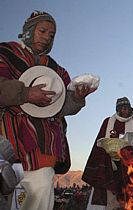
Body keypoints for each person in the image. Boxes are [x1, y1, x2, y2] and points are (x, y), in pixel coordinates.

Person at [0, 11, 95, 210]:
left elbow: (61, 108)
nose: (47, 37)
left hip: (43, 148)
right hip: (7, 142)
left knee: (39, 198)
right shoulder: (6, 53)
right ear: (28, 31)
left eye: (51, 35)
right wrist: (25, 93)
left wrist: (77, 99)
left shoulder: (56, 70)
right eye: (42, 31)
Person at [82, 97, 133, 209]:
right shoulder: (108, 122)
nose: (125, 111)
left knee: (127, 200)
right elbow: (99, 142)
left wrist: (130, 151)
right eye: (122, 108)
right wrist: (109, 150)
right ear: (117, 109)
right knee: (110, 200)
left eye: (127, 108)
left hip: (128, 168)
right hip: (109, 166)